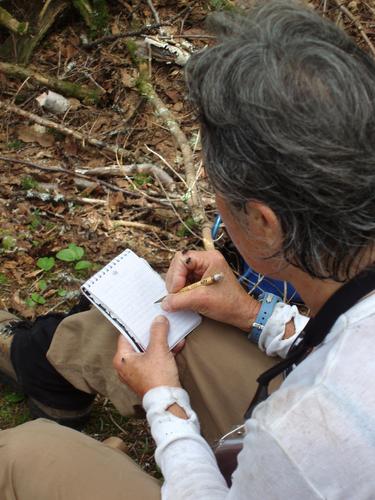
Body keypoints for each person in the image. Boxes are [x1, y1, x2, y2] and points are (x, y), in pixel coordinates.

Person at [1, 0, 375, 498]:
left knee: (25, 454)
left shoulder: (304, 434)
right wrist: (253, 314)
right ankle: (36, 362)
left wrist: (165, 402)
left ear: (264, 223)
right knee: (170, 323)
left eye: (215, 186)